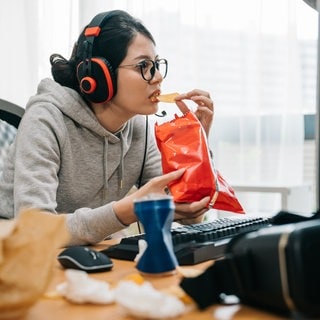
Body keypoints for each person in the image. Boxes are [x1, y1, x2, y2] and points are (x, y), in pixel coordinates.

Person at [0, 10, 214, 245]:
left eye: (156, 65)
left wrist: (195, 149)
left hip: (88, 254)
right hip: (17, 255)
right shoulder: (46, 119)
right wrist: (124, 212)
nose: (157, 77)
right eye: (143, 65)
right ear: (101, 76)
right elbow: (36, 229)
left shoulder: (139, 128)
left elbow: (189, 217)